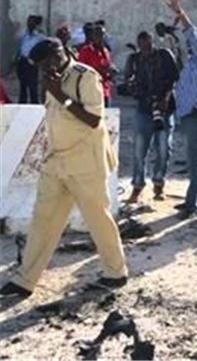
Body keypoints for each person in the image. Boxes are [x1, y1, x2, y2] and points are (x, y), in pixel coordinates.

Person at [0, 38, 127, 299]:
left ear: (63, 52)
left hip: (86, 164)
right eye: (42, 66)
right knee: (42, 221)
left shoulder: (85, 76)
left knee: (98, 219)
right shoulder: (51, 79)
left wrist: (62, 96)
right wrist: (52, 90)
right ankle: (25, 280)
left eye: (52, 61)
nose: (49, 67)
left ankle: (116, 273)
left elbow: (94, 119)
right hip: (57, 162)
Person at [168, 0, 197, 219]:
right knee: (193, 160)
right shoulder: (189, 66)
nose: (190, 46)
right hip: (188, 116)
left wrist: (181, 13)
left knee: (195, 161)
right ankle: (193, 199)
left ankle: (193, 205)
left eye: (194, 45)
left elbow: (191, 35)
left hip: (196, 116)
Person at [124, 30, 179, 202]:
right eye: (142, 46)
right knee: (139, 150)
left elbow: (174, 78)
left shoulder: (164, 55)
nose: (145, 49)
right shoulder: (134, 60)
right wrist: (134, 88)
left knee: (163, 149)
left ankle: (158, 184)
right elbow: (127, 80)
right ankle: (137, 186)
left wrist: (164, 99)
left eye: (148, 45)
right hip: (144, 108)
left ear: (152, 42)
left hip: (164, 109)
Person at [78, 23, 116, 107]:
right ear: (93, 36)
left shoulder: (105, 51)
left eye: (102, 35)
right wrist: (101, 70)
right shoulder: (86, 51)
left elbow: (108, 65)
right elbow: (81, 69)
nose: (100, 37)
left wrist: (111, 72)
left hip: (104, 90)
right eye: (98, 35)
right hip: (91, 91)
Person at [15, 14, 45, 103]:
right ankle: (22, 104)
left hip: (32, 62)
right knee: (22, 85)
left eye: (31, 22)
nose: (29, 24)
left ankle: (34, 104)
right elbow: (21, 47)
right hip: (22, 62)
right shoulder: (25, 35)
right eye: (28, 22)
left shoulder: (39, 37)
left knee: (33, 86)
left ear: (35, 24)